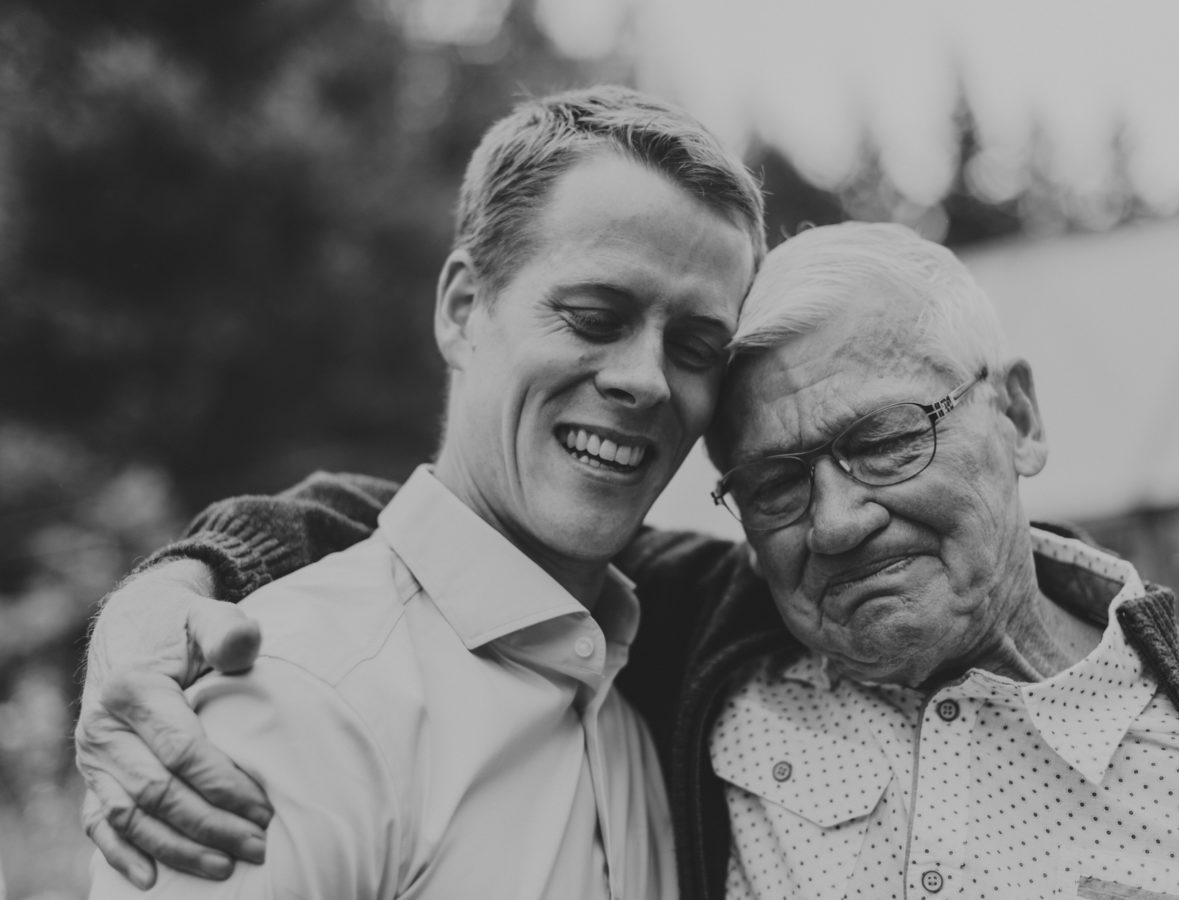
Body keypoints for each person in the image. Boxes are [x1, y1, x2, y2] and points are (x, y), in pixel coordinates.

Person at [80, 224, 1179, 899]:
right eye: (778, 484)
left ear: (1013, 416)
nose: (838, 521)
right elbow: (425, 515)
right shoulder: (717, 632)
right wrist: (173, 588)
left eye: (886, 443)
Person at [81, 83, 764, 898]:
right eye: (592, 316)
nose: (645, 380)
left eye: (695, 347)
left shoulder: (658, 682)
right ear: (463, 308)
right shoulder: (295, 705)